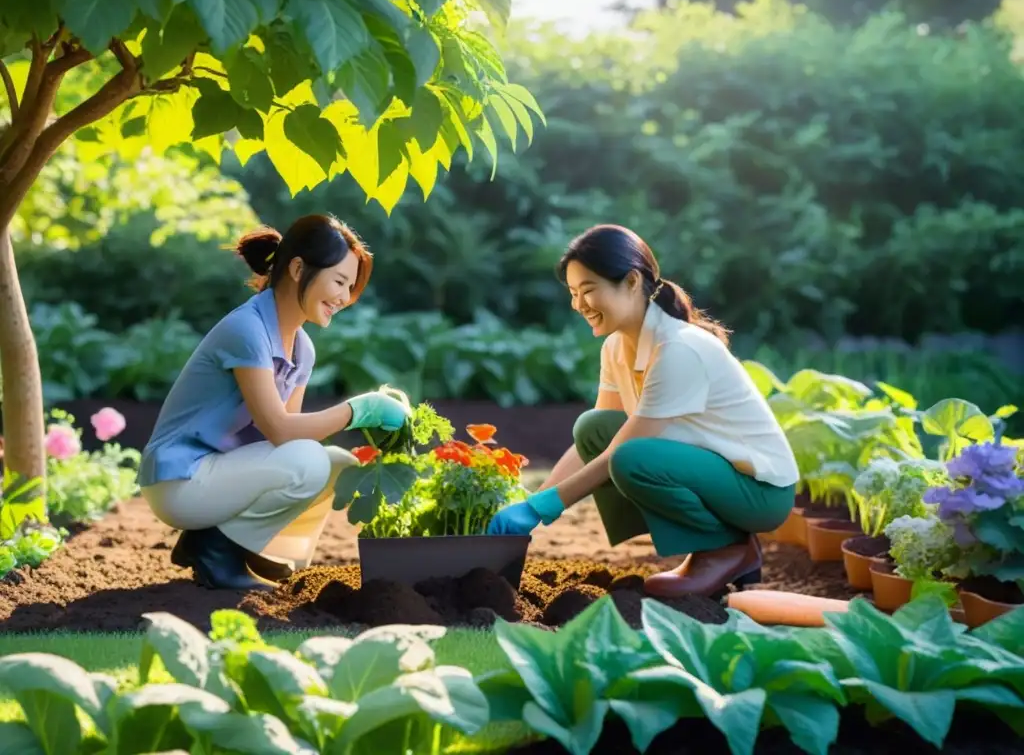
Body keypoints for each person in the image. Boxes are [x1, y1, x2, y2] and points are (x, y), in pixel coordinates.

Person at [487, 224, 799, 598]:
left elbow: (622, 452)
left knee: (632, 458)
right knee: (594, 427)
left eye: (588, 290)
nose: (578, 305)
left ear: (632, 281)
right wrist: (532, 504)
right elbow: (599, 442)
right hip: (715, 471)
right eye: (573, 294)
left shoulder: (679, 348)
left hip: (759, 491)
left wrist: (543, 507)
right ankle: (718, 545)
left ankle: (725, 549)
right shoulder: (617, 348)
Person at [138, 214, 410, 592]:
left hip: (217, 474)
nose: (344, 298)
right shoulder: (247, 329)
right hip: (180, 480)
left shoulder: (302, 347)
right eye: (339, 281)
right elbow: (278, 428)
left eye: (349, 287)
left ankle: (248, 545)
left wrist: (358, 415)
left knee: (338, 465)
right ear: (298, 268)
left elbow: (286, 442)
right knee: (310, 461)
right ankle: (216, 551)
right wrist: (358, 411)